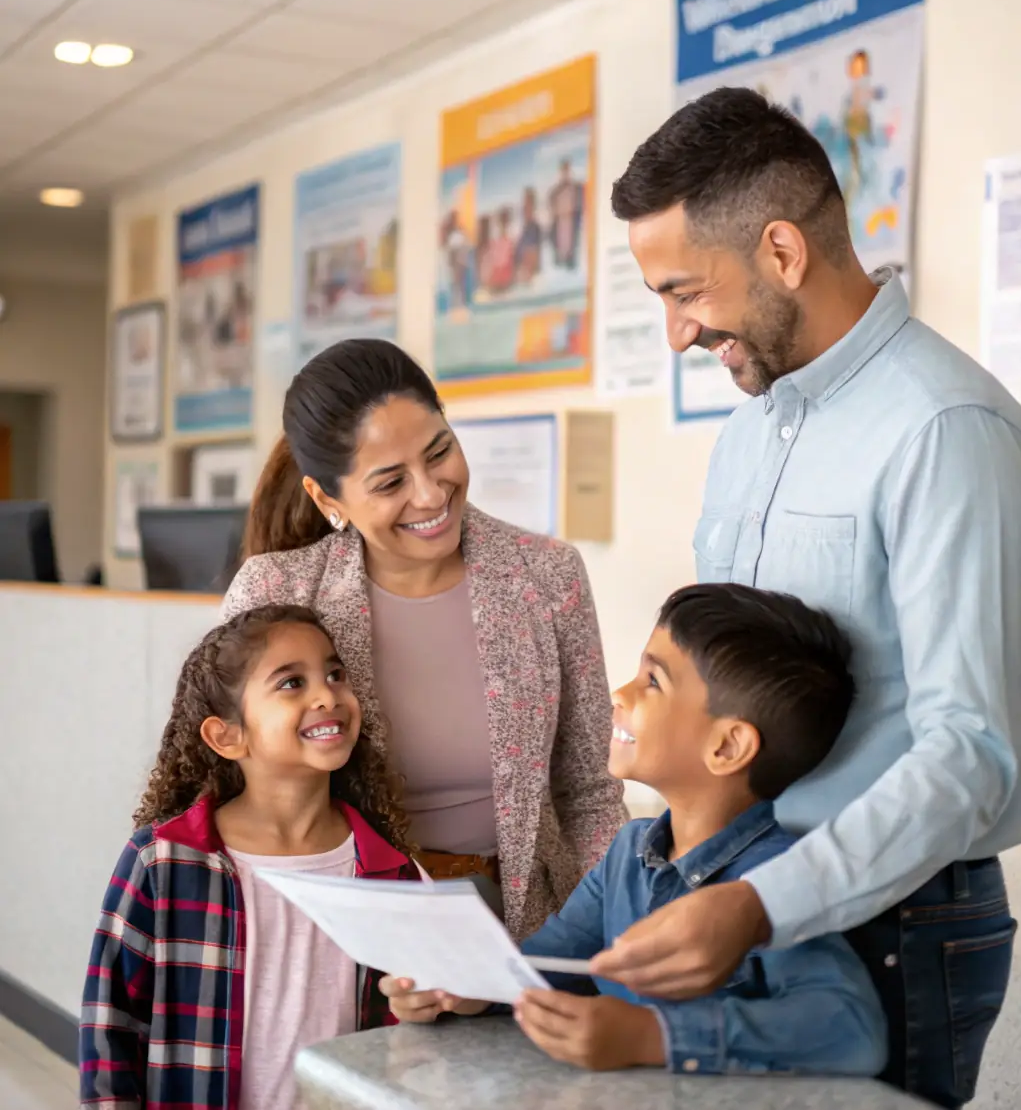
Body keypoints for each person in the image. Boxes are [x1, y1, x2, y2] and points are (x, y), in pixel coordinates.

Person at [599, 85, 1021, 1109]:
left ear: (781, 253)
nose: (674, 332)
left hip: (892, 918)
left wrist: (756, 905)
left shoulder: (944, 428)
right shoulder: (749, 431)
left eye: (685, 292)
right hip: (739, 887)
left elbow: (969, 751)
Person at [384, 583, 887, 1078]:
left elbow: (852, 1031)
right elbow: (546, 967)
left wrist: (650, 1035)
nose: (620, 693)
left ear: (727, 747)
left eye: (653, 682)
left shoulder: (776, 879)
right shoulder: (630, 851)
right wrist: (465, 990)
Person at [223, 338, 625, 941]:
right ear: (327, 498)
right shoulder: (280, 592)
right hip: (336, 930)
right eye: (390, 483)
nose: (432, 494)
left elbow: (589, 794)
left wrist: (606, 935)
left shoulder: (546, 576)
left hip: (526, 933)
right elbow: (220, 781)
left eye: (440, 452)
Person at [79, 604, 415, 1110]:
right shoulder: (163, 862)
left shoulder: (390, 871)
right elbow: (112, 1026)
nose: (328, 695)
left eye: (334, 673)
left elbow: (406, 1038)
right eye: (291, 683)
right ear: (227, 736)